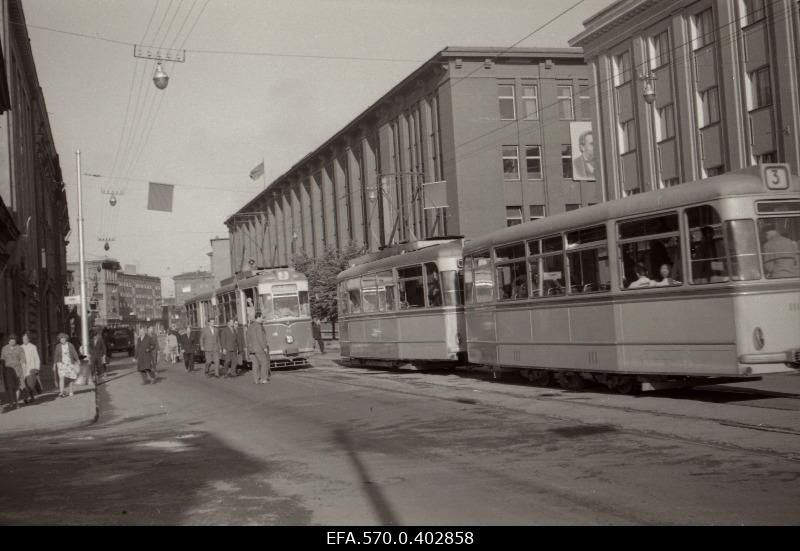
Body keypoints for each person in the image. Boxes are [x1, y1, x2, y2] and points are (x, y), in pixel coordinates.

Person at [1, 334, 25, 409]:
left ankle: (17, 402)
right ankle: (11, 402)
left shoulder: (19, 348)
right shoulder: (4, 348)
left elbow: (23, 359)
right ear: (8, 341)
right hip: (8, 370)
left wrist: (24, 368)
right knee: (10, 387)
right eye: (11, 341)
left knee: (17, 386)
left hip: (17, 369)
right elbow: (2, 359)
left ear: (16, 341)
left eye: (14, 341)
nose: (12, 342)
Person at [247, 312, 271, 384]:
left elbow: (247, 337)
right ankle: (263, 379)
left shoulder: (250, 326)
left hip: (251, 349)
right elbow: (260, 338)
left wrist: (249, 346)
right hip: (259, 348)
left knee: (255, 364)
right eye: (262, 318)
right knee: (264, 362)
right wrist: (264, 347)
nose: (262, 319)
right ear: (258, 317)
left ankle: (256, 380)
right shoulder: (258, 326)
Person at [53, 332, 80, 397]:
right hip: (61, 364)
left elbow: (74, 352)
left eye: (63, 338)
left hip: (69, 363)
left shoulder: (70, 345)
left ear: (66, 338)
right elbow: (56, 356)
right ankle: (61, 392)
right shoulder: (58, 346)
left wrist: (77, 359)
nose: (62, 340)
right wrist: (54, 365)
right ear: (59, 340)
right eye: (61, 339)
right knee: (61, 377)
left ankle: (71, 391)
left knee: (71, 377)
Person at [20, 333, 42, 404]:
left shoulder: (33, 347)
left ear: (29, 339)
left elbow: (37, 358)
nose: (24, 340)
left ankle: (31, 396)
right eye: (23, 339)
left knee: (30, 384)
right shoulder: (20, 347)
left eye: (26, 339)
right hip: (23, 368)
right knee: (24, 383)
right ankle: (26, 397)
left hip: (31, 367)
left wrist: (37, 368)